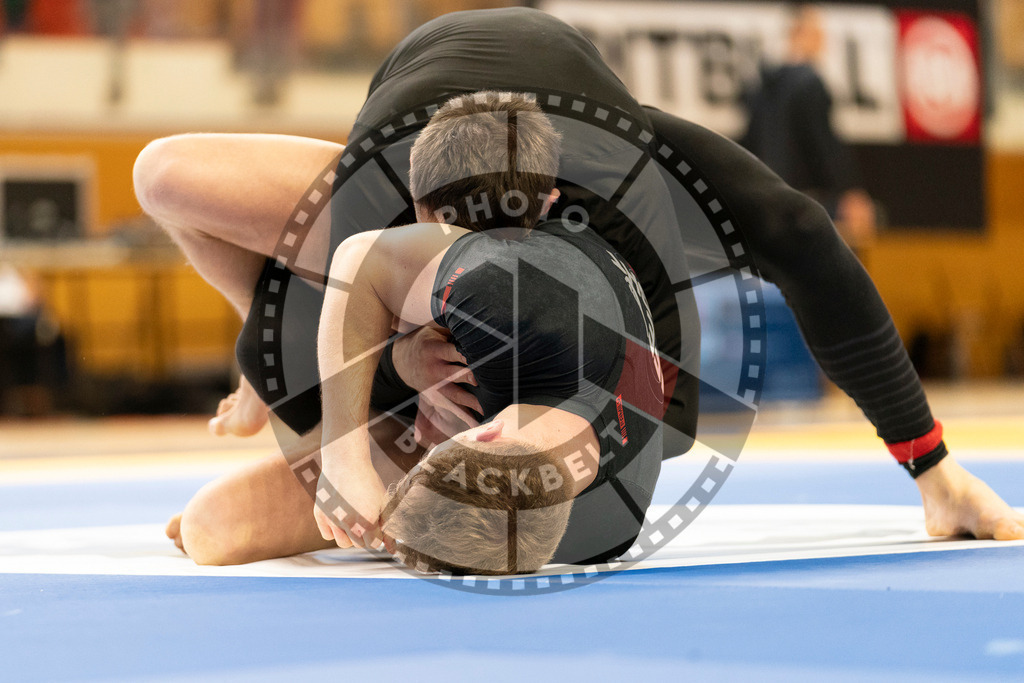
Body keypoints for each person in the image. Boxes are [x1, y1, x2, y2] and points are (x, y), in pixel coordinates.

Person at [136, 7, 1023, 571]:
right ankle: (393, 419)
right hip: (425, 172)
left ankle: (421, 437)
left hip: (552, 197)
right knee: (170, 181)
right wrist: (338, 421)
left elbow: (802, 239)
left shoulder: (646, 211)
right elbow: (175, 179)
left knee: (234, 506)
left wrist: (932, 465)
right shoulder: (365, 230)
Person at [739, 3, 876, 249]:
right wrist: (849, 192)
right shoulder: (809, 83)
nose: (823, 43)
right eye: (818, 35)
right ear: (799, 34)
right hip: (804, 205)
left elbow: (748, 145)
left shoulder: (759, 87)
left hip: (766, 205)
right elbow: (824, 146)